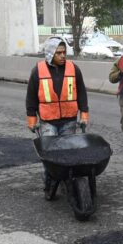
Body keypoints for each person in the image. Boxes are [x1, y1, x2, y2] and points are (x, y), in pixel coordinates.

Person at [25, 37, 90, 198]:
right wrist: (32, 120)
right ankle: (49, 183)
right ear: (49, 54)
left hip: (69, 119)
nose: (63, 56)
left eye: (64, 52)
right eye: (58, 53)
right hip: (48, 121)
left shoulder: (73, 69)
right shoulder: (38, 71)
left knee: (69, 154)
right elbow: (31, 97)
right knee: (51, 157)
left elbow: (81, 93)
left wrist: (84, 114)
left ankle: (68, 182)